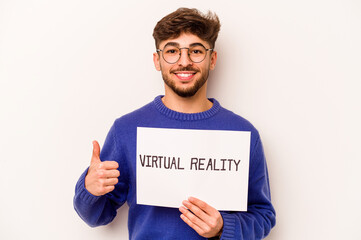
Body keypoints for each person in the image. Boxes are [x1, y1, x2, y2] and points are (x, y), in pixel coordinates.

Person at [73, 7, 276, 240]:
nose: (184, 61)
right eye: (172, 51)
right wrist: (90, 189)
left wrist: (223, 227)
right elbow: (96, 216)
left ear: (212, 59)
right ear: (157, 60)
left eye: (196, 51)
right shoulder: (127, 130)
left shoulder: (243, 133)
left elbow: (263, 216)